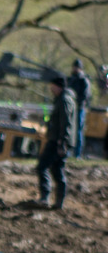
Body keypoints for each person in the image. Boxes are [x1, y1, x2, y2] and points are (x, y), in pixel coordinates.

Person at [37, 75, 76, 210]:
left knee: (43, 166)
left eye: (52, 86)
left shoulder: (64, 100)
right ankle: (58, 202)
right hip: (58, 140)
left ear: (58, 86)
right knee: (56, 170)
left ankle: (45, 197)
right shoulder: (62, 99)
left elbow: (66, 123)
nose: (50, 88)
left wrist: (62, 142)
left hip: (58, 141)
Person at [68, 58, 91, 159]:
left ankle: (77, 154)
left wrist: (76, 102)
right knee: (70, 130)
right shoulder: (71, 79)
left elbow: (85, 96)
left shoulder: (83, 80)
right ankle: (69, 151)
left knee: (78, 131)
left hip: (80, 108)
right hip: (71, 108)